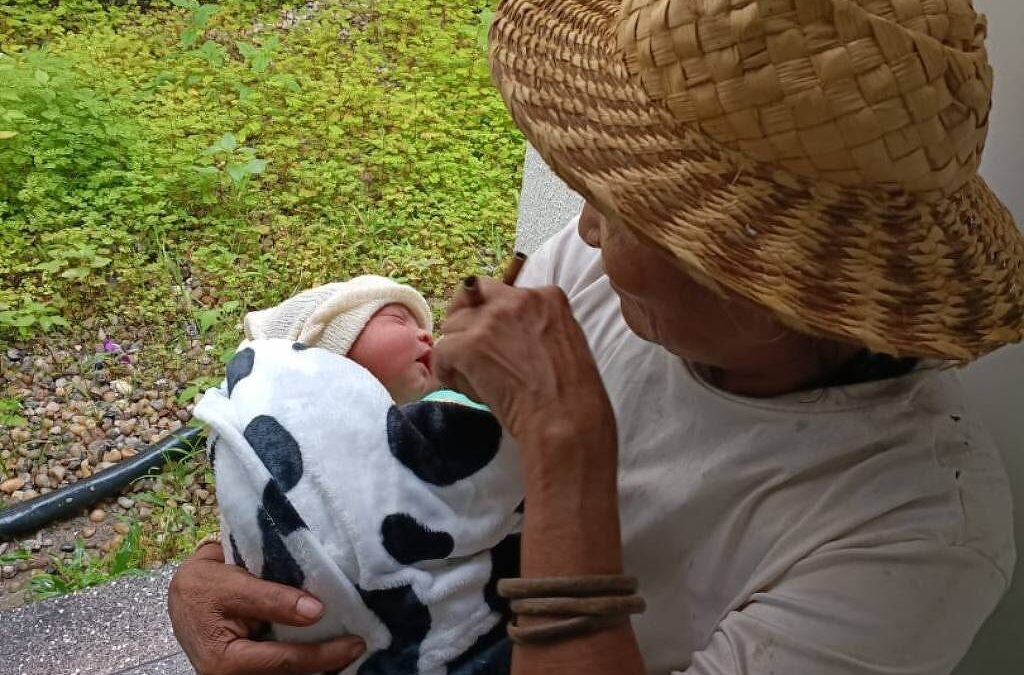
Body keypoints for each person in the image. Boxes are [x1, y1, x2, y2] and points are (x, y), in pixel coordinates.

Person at [168, 1, 1023, 674]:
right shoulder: (608, 281)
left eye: (626, 204)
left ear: (766, 274)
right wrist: (250, 562)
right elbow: (426, 481)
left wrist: (567, 445)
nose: (580, 227)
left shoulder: (920, 533)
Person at [192, 276, 522, 674]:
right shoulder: (299, 438)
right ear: (321, 352)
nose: (425, 335)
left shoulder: (450, 405)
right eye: (398, 320)